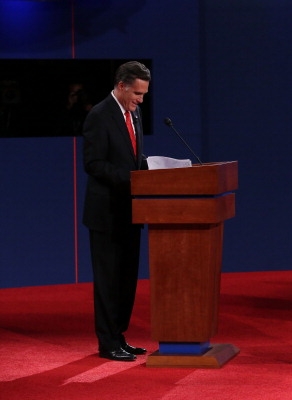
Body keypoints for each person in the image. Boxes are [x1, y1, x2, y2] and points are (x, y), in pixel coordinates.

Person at [82, 61, 151, 361]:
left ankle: (119, 337)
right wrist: (131, 178)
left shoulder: (134, 115)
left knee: (126, 280)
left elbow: (133, 157)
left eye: (144, 94)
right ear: (121, 86)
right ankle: (107, 342)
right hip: (106, 214)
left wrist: (154, 168)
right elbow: (94, 164)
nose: (141, 100)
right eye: (137, 93)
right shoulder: (99, 115)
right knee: (108, 281)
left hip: (130, 213)